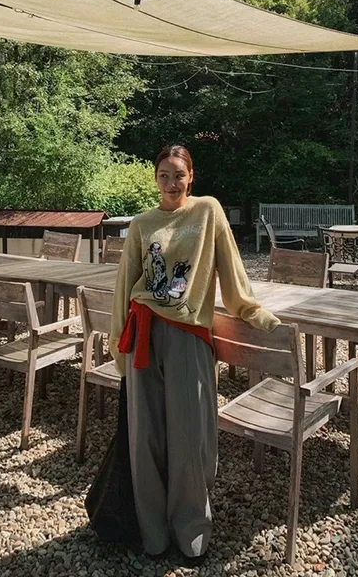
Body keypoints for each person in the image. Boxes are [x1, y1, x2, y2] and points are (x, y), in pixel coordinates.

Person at [109, 144, 280, 564]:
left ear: (191, 176)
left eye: (178, 175)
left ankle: (190, 531)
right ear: (155, 178)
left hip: (188, 336)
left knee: (191, 437)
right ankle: (152, 532)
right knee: (145, 437)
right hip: (142, 334)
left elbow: (230, 268)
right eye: (163, 175)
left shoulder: (208, 211)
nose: (171, 183)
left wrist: (251, 310)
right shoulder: (142, 224)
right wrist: (118, 346)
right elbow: (124, 286)